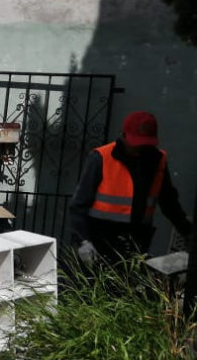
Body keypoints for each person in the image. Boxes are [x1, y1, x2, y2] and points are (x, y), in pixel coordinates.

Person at [69, 111, 191, 265]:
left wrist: (188, 232)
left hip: (136, 241)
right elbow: (79, 206)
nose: (140, 149)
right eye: (136, 144)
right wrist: (83, 241)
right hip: (99, 242)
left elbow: (169, 203)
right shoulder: (101, 158)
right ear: (123, 136)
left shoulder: (157, 160)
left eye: (145, 144)